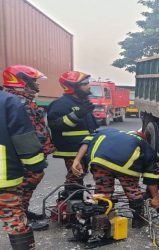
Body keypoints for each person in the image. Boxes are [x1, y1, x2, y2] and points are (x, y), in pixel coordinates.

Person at [70, 128, 159, 228]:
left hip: (100, 162)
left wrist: (76, 160)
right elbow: (151, 175)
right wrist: (155, 198)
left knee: (103, 190)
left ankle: (102, 219)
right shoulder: (143, 143)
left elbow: (87, 141)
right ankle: (138, 221)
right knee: (132, 191)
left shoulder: (107, 131)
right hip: (126, 167)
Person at [2, 65, 54, 231]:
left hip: (29, 156)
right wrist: (35, 161)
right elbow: (24, 135)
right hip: (23, 158)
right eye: (34, 81)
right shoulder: (16, 102)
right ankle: (22, 217)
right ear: (22, 81)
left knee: (26, 188)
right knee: (22, 188)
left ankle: (24, 211)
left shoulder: (22, 101)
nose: (37, 85)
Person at [0, 88, 47, 249]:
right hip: (4, 176)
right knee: (14, 218)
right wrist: (37, 167)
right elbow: (24, 140)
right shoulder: (8, 101)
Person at [47, 71, 98, 192]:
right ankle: (68, 206)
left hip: (84, 147)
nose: (89, 86)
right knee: (75, 177)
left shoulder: (82, 102)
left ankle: (74, 204)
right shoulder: (60, 104)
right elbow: (55, 125)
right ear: (72, 87)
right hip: (72, 149)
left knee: (79, 176)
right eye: (84, 84)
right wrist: (77, 115)